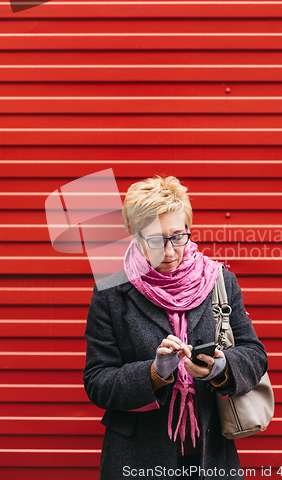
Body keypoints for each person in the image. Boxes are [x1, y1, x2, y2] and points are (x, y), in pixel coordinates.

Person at [83, 176, 268, 480]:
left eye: (178, 236)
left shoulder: (219, 280)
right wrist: (154, 373)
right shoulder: (111, 293)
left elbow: (255, 355)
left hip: (210, 457)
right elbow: (97, 381)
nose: (169, 252)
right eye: (156, 240)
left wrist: (221, 367)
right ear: (135, 237)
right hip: (136, 459)